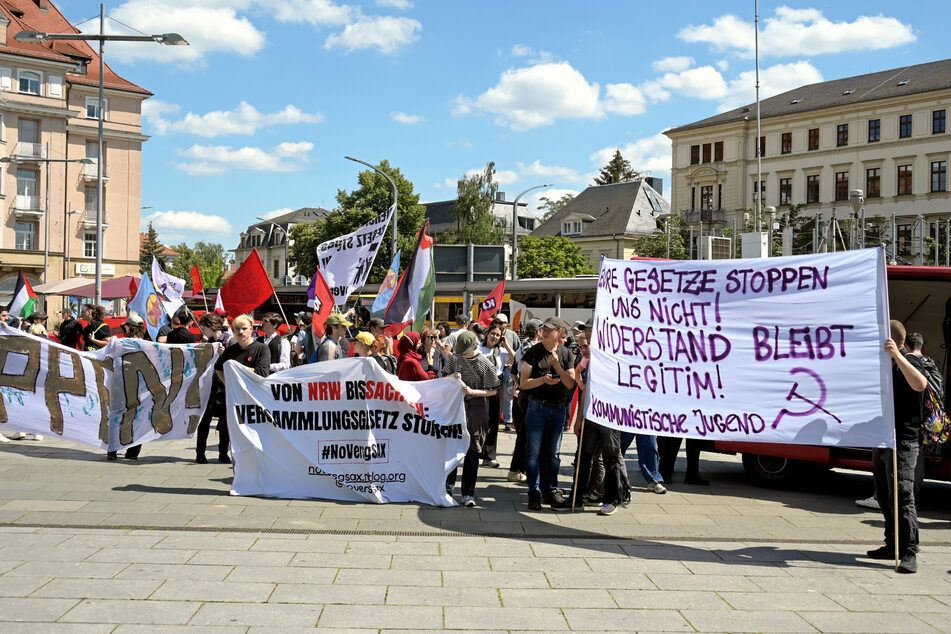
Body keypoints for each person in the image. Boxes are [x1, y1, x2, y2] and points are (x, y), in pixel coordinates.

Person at [866, 319, 928, 574]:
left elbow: (919, 384)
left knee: (903, 495)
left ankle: (909, 551)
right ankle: (892, 544)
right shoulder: (885, 364)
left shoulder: (909, 360)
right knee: (883, 494)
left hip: (904, 441)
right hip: (883, 439)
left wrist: (897, 355)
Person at [552, 317, 631, 514]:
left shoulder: (613, 356)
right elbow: (584, 385)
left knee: (610, 458)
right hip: (591, 415)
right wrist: (580, 418)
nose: (587, 335)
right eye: (586, 332)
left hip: (610, 416)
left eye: (590, 332)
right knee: (582, 458)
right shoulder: (589, 357)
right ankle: (576, 499)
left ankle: (612, 500)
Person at [519, 317, 576, 510]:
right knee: (533, 452)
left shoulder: (566, 353)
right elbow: (523, 383)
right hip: (537, 407)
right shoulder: (533, 352)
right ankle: (534, 491)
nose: (544, 331)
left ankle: (550, 489)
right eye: (544, 328)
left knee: (554, 453)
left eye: (549, 329)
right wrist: (543, 380)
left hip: (558, 408)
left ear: (559, 332)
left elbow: (570, 384)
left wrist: (557, 365)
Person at [442, 330, 500, 507]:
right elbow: (443, 377)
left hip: (476, 407)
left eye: (465, 350)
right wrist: (453, 377)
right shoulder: (455, 358)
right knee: (452, 448)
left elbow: (494, 389)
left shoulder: (484, 362)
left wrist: (473, 391)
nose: (461, 353)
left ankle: (468, 492)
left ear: (475, 345)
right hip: (456, 406)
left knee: (473, 450)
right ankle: (447, 490)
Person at [209, 314, 270, 464]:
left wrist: (236, 369)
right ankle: (224, 453)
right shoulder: (231, 350)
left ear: (251, 330)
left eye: (244, 329)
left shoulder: (261, 349)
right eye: (237, 329)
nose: (241, 332)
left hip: (253, 398)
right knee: (226, 427)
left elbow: (262, 372)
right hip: (233, 398)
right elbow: (218, 368)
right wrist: (228, 384)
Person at [507, 318, 542, 483]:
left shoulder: (521, 346)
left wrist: (517, 383)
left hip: (521, 393)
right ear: (537, 332)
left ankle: (518, 469)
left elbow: (513, 370)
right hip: (528, 395)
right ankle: (516, 470)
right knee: (526, 435)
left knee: (523, 434)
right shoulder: (533, 348)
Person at [108, 313, 148, 461]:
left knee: (116, 415)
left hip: (119, 384)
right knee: (138, 416)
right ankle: (132, 452)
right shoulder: (147, 345)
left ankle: (112, 449)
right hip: (140, 385)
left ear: (129, 327)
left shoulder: (120, 342)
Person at [479, 323, 514, 469]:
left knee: (493, 422)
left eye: (498, 335)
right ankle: (477, 451)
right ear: (487, 334)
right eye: (492, 333)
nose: (494, 337)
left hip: (497, 386)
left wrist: (506, 344)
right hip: (481, 387)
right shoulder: (479, 349)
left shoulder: (501, 351)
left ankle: (489, 456)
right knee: (480, 421)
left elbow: (514, 359)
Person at [491, 314, 519, 431]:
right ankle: (494, 418)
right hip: (494, 370)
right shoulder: (492, 334)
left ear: (506, 324)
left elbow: (518, 351)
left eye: (501, 323)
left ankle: (507, 420)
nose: (498, 325)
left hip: (508, 370)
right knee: (494, 395)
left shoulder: (512, 335)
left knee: (507, 396)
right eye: (496, 322)